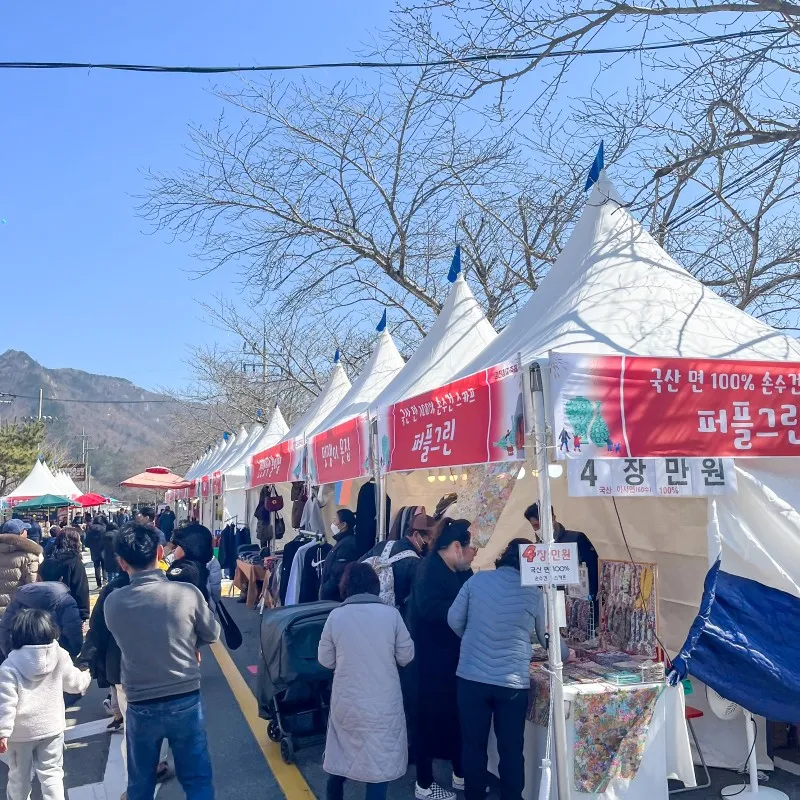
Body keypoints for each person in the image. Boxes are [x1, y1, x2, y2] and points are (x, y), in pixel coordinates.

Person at [104, 523, 220, 800]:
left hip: (140, 701)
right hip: (185, 696)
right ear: (159, 552)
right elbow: (212, 633)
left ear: (122, 563)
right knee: (197, 779)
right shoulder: (187, 594)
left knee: (140, 783)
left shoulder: (113, 602)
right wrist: (191, 643)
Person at [448, 539, 570, 800]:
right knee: (511, 748)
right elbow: (551, 643)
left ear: (503, 556)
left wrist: (473, 638)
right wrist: (566, 651)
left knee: (473, 745)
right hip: (512, 683)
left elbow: (453, 619)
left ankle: (474, 796)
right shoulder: (534, 594)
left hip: (471, 677)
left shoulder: (477, 581)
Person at [318, 562, 414, 800]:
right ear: (375, 585)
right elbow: (406, 656)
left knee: (341, 754)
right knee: (379, 764)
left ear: (345, 587)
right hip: (383, 703)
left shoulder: (336, 616)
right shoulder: (392, 615)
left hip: (346, 700)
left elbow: (325, 660)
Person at [407, 519, 476, 800]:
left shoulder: (461, 570)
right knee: (427, 720)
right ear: (457, 547)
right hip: (429, 662)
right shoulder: (428, 570)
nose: (475, 554)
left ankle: (460, 774)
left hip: (454, 659)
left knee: (456, 718)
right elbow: (430, 609)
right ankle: (424, 784)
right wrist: (464, 610)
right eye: (472, 549)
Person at [0, 608, 91, 800]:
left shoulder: (9, 666)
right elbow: (75, 684)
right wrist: (86, 676)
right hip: (52, 727)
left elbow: (5, 702)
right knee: (52, 774)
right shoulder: (60, 655)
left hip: (20, 734)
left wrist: (3, 732)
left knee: (19, 778)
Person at [359, 513, 436, 618]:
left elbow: (357, 567)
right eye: (430, 539)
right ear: (416, 535)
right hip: (393, 618)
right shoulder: (417, 563)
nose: (431, 544)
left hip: (365, 611)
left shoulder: (382, 545)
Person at [524, 503, 599, 601]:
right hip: (549, 603)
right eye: (536, 525)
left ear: (553, 518)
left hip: (579, 602)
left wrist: (593, 601)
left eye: (545, 523)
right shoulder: (535, 550)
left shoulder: (576, 538)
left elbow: (594, 572)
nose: (541, 528)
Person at [39, 529, 90, 623]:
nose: (81, 543)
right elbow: (80, 589)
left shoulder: (46, 562)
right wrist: (83, 614)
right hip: (70, 611)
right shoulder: (75, 562)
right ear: (74, 543)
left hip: (47, 612)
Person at [0, 520, 43, 619]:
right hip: (16, 608)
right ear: (21, 533)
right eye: (25, 530)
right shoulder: (29, 555)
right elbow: (32, 585)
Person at [166, 523, 214, 601]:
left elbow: (166, 585)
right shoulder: (198, 567)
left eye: (178, 546)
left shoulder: (187, 570)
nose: (173, 550)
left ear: (189, 548)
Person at [320, 509, 359, 602]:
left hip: (335, 597)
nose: (333, 524)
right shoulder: (342, 542)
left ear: (344, 524)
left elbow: (338, 572)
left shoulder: (347, 544)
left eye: (335, 520)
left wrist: (325, 590)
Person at [86, 515, 108, 588]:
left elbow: (86, 542)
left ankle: (98, 584)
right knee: (104, 566)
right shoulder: (104, 529)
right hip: (103, 550)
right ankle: (105, 580)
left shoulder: (90, 529)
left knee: (96, 566)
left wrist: (92, 546)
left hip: (94, 551)